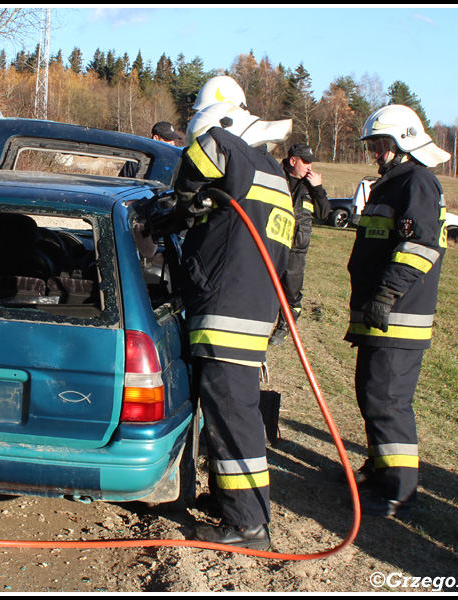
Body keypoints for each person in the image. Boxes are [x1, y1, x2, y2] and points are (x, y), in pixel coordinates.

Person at [173, 99, 293, 550]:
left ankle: (247, 527)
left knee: (232, 418)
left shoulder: (235, 152)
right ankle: (240, 507)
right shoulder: (273, 179)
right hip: (251, 311)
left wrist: (185, 196)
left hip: (227, 316)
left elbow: (214, 143)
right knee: (236, 415)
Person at [345, 105, 450, 519]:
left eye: (380, 144)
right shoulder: (391, 184)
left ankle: (398, 492)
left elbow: (420, 246)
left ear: (401, 143)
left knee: (387, 401)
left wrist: (387, 293)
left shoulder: (417, 182)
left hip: (399, 315)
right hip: (379, 315)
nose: (375, 152)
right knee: (372, 396)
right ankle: (378, 470)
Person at [268, 143, 330, 345]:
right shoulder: (274, 176)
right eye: (306, 161)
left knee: (292, 293)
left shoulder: (310, 185)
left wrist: (318, 189)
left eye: (311, 162)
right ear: (292, 161)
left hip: (297, 247)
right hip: (273, 242)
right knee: (267, 285)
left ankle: (284, 326)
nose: (309, 167)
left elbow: (323, 214)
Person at [119, 121, 183, 177]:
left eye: (173, 140)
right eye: (168, 139)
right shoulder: (138, 158)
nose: (173, 143)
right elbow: (123, 182)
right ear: (156, 138)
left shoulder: (175, 160)